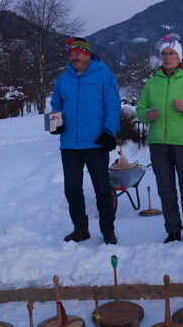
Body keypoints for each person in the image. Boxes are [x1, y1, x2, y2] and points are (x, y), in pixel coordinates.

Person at [136, 35, 183, 244]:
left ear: (180, 56)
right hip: (159, 144)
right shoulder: (151, 84)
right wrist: (146, 116)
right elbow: (140, 110)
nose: (167, 57)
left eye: (171, 53)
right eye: (164, 53)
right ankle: (172, 231)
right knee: (166, 190)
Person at [50, 37, 121, 245]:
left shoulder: (104, 75)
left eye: (77, 54)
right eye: (71, 54)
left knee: (102, 188)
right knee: (72, 189)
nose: (74, 58)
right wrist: (56, 122)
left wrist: (109, 132)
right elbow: (56, 104)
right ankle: (80, 229)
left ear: (87, 54)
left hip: (97, 142)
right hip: (70, 144)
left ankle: (108, 230)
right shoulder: (63, 79)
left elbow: (113, 105)